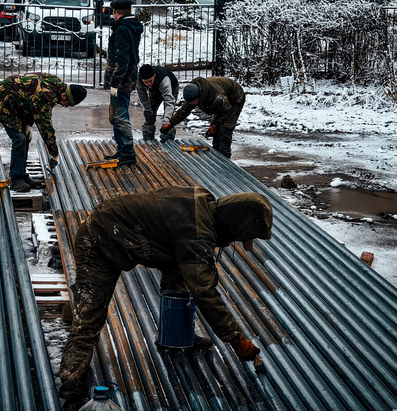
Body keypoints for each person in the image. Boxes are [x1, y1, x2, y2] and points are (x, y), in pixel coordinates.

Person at [58, 186, 273, 411]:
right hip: (99, 239)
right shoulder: (196, 232)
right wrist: (235, 338)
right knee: (88, 319)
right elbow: (205, 293)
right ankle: (72, 392)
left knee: (181, 276)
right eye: (243, 236)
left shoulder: (204, 204)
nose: (239, 241)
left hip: (136, 235)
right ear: (235, 223)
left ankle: (176, 335)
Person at [0, 73, 87, 192]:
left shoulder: (56, 83)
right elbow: (46, 128)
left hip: (17, 103)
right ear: (64, 96)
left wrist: (27, 123)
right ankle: (16, 178)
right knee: (20, 138)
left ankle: (22, 174)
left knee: (25, 137)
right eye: (68, 104)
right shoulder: (47, 95)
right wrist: (54, 154)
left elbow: (32, 102)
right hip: (1, 101)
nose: (66, 107)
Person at [161, 76, 245, 158]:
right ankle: (217, 153)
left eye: (192, 102)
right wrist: (170, 124)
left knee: (225, 128)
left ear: (199, 96)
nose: (190, 104)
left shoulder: (215, 97)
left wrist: (215, 126)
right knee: (215, 127)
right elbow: (183, 111)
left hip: (235, 98)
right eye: (189, 102)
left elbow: (226, 110)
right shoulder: (192, 96)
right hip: (223, 101)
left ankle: (225, 158)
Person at [103, 0, 143, 166]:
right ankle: (122, 150)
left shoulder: (121, 29)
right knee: (119, 114)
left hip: (121, 80)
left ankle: (127, 152)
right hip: (128, 78)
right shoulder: (132, 27)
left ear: (115, 12)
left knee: (120, 116)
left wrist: (114, 82)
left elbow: (122, 58)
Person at [136, 64, 179, 142]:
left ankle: (167, 138)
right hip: (154, 91)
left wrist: (166, 122)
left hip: (171, 89)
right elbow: (143, 96)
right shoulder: (139, 80)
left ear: (154, 76)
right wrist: (147, 108)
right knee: (150, 113)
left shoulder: (164, 80)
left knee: (169, 115)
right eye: (145, 82)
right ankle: (148, 138)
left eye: (150, 81)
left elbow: (169, 101)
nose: (148, 84)